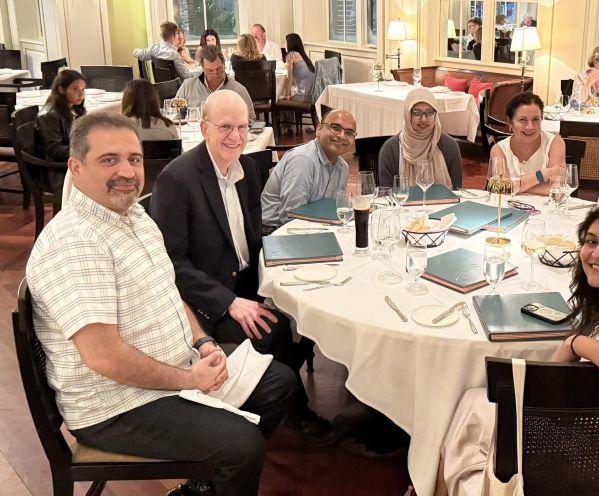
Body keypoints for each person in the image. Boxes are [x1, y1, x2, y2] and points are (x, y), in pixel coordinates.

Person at [26, 111, 297, 496]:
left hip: (174, 365)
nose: (127, 171)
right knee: (242, 447)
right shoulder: (76, 243)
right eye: (109, 160)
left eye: (134, 159)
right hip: (116, 403)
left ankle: (202, 488)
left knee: (279, 384)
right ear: (76, 167)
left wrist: (202, 342)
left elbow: (169, 291)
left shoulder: (134, 216)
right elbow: (105, 358)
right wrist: (190, 380)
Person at [439, 202, 599, 496]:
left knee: (467, 419)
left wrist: (579, 343)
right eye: (591, 241)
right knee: (473, 403)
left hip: (590, 459)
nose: (597, 253)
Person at [151, 90, 339, 447]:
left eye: (241, 127)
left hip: (247, 282)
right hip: (205, 301)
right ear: (204, 128)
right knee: (275, 331)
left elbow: (253, 238)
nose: (235, 136)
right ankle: (289, 410)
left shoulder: (248, 169)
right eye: (225, 127)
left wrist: (290, 265)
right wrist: (229, 302)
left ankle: (279, 393)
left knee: (309, 317)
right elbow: (171, 264)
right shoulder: (177, 179)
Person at [262, 110, 357, 227]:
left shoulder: (343, 167)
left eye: (349, 133)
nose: (342, 136)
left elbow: (332, 208)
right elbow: (291, 216)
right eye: (335, 128)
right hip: (276, 230)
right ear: (319, 129)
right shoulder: (302, 160)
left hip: (316, 226)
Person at [377, 89, 462, 191]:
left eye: (429, 112)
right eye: (417, 113)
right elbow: (386, 194)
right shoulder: (390, 149)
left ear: (436, 115)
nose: (424, 119)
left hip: (444, 201)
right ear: (408, 115)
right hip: (401, 202)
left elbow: (457, 191)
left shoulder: (449, 146)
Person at [491, 92, 565, 195]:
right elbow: (500, 188)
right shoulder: (499, 149)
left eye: (535, 119)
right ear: (510, 122)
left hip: (545, 205)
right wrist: (542, 174)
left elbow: (557, 188)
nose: (530, 127)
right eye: (523, 120)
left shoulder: (555, 143)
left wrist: (514, 186)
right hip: (508, 205)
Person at [176, 45, 255, 121]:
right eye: (210, 70)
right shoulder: (188, 87)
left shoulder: (238, 90)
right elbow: (175, 114)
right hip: (194, 129)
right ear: (202, 68)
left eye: (219, 69)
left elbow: (251, 118)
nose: (215, 74)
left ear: (224, 65)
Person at [36, 70, 86, 162]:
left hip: (74, 157)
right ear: (61, 90)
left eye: (82, 89)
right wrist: (85, 151)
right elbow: (55, 150)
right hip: (59, 165)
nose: (81, 94)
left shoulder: (76, 109)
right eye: (75, 89)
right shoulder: (49, 115)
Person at [133, 21, 201, 81]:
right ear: (173, 36)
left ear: (162, 35)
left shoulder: (155, 48)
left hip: (160, 86)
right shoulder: (174, 54)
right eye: (177, 34)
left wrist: (136, 50)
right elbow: (186, 75)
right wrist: (202, 69)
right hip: (176, 88)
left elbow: (136, 53)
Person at [283, 33, 315, 100]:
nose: (284, 45)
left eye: (286, 42)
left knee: (281, 99)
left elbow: (289, 80)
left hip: (303, 96)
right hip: (313, 96)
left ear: (290, 44)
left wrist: (287, 97)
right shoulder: (302, 55)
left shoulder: (291, 55)